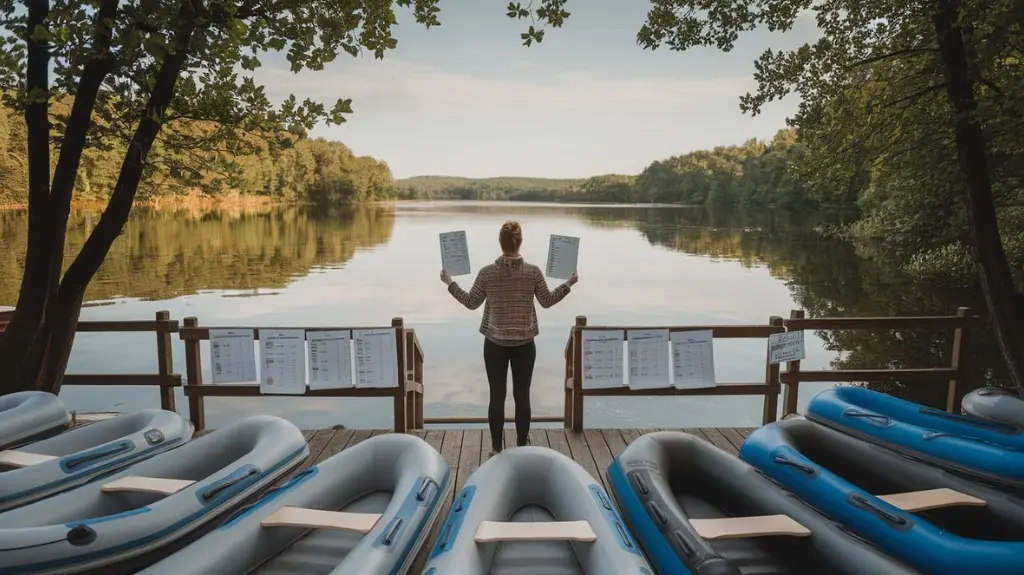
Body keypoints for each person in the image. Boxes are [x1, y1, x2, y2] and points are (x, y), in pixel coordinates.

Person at [440, 221, 578, 455]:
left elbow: (471, 302)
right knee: (522, 396)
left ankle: (496, 448)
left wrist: (450, 283)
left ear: (500, 243)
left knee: (497, 396)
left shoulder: (487, 273)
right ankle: (522, 446)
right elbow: (547, 301)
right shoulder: (532, 272)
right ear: (520, 242)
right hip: (525, 345)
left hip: (494, 344)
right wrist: (568, 284)